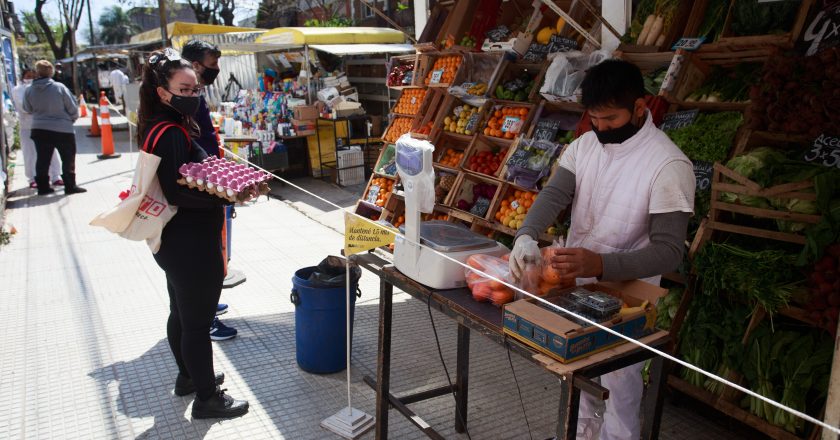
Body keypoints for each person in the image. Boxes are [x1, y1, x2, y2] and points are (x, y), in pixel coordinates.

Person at [509, 59, 695, 440]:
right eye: (594, 117)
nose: (600, 127)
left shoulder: (669, 165)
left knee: (620, 383)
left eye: (610, 118)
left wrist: (601, 263)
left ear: (640, 107)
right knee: (578, 377)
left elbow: (669, 251)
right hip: (575, 283)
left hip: (628, 295)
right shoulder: (584, 146)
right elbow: (555, 193)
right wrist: (526, 234)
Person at [137, 48, 249, 419]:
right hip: (189, 242)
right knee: (198, 324)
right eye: (184, 89)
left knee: (181, 314)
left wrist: (226, 176)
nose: (192, 95)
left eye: (195, 89)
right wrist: (226, 197)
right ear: (162, 91)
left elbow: (199, 164)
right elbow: (176, 192)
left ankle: (188, 377)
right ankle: (207, 398)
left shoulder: (162, 124)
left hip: (173, 241)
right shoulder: (169, 132)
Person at [181, 39, 238, 341]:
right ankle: (207, 319)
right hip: (200, 188)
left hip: (209, 182)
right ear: (195, 65)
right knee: (208, 260)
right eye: (212, 64)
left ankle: (209, 308)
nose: (216, 70)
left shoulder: (195, 95)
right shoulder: (183, 100)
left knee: (217, 252)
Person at [23, 60, 86, 195]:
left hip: (39, 129)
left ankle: (43, 187)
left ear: (37, 72)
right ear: (51, 72)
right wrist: (72, 118)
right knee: (67, 158)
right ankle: (70, 186)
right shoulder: (59, 87)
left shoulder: (29, 90)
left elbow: (27, 108)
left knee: (42, 159)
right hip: (62, 129)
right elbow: (72, 107)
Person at [11, 68, 63, 189]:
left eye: (33, 76)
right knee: (30, 153)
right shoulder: (18, 90)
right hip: (28, 126)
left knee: (51, 151)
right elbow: (24, 107)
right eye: (28, 76)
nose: (30, 79)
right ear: (23, 77)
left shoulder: (43, 88)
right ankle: (32, 178)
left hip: (45, 125)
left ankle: (55, 176)